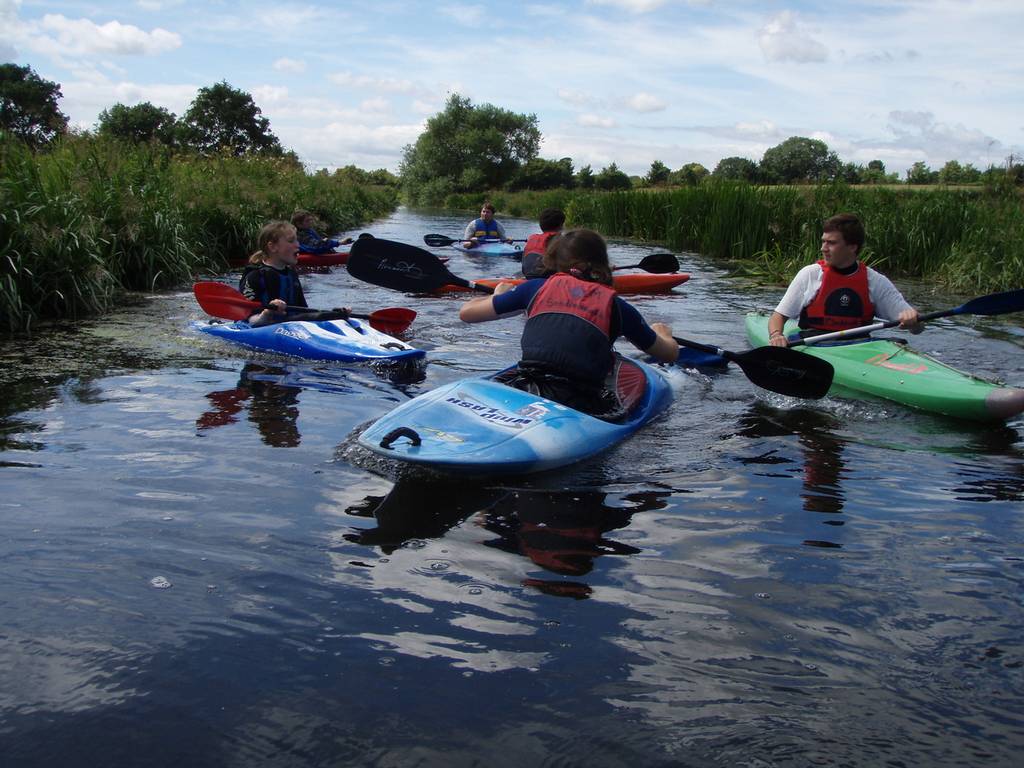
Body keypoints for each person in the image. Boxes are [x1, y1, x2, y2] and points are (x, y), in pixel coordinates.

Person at [459, 228, 678, 416]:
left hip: (527, 385)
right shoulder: (617, 307)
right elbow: (668, 354)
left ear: (553, 263)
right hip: (580, 403)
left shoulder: (533, 289)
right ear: (603, 264)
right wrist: (663, 333)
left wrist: (497, 296)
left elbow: (466, 313)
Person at [767, 213, 921, 347]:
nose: (823, 248)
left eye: (831, 243)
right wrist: (776, 335)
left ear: (852, 247)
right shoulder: (810, 275)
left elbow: (917, 329)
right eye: (823, 241)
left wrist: (914, 321)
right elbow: (778, 317)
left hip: (859, 348)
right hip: (813, 344)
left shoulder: (875, 281)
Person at [239, 220, 348, 327]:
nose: (298, 245)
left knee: (334, 316)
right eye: (291, 241)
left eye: (297, 240)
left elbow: (304, 311)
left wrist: (334, 315)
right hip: (263, 326)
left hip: (291, 325)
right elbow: (247, 318)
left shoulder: (291, 273)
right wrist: (267, 313)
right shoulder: (254, 276)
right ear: (272, 247)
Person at [520, 208, 565, 278]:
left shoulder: (532, 238)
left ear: (541, 226)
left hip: (528, 275)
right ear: (561, 225)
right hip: (548, 277)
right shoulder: (562, 240)